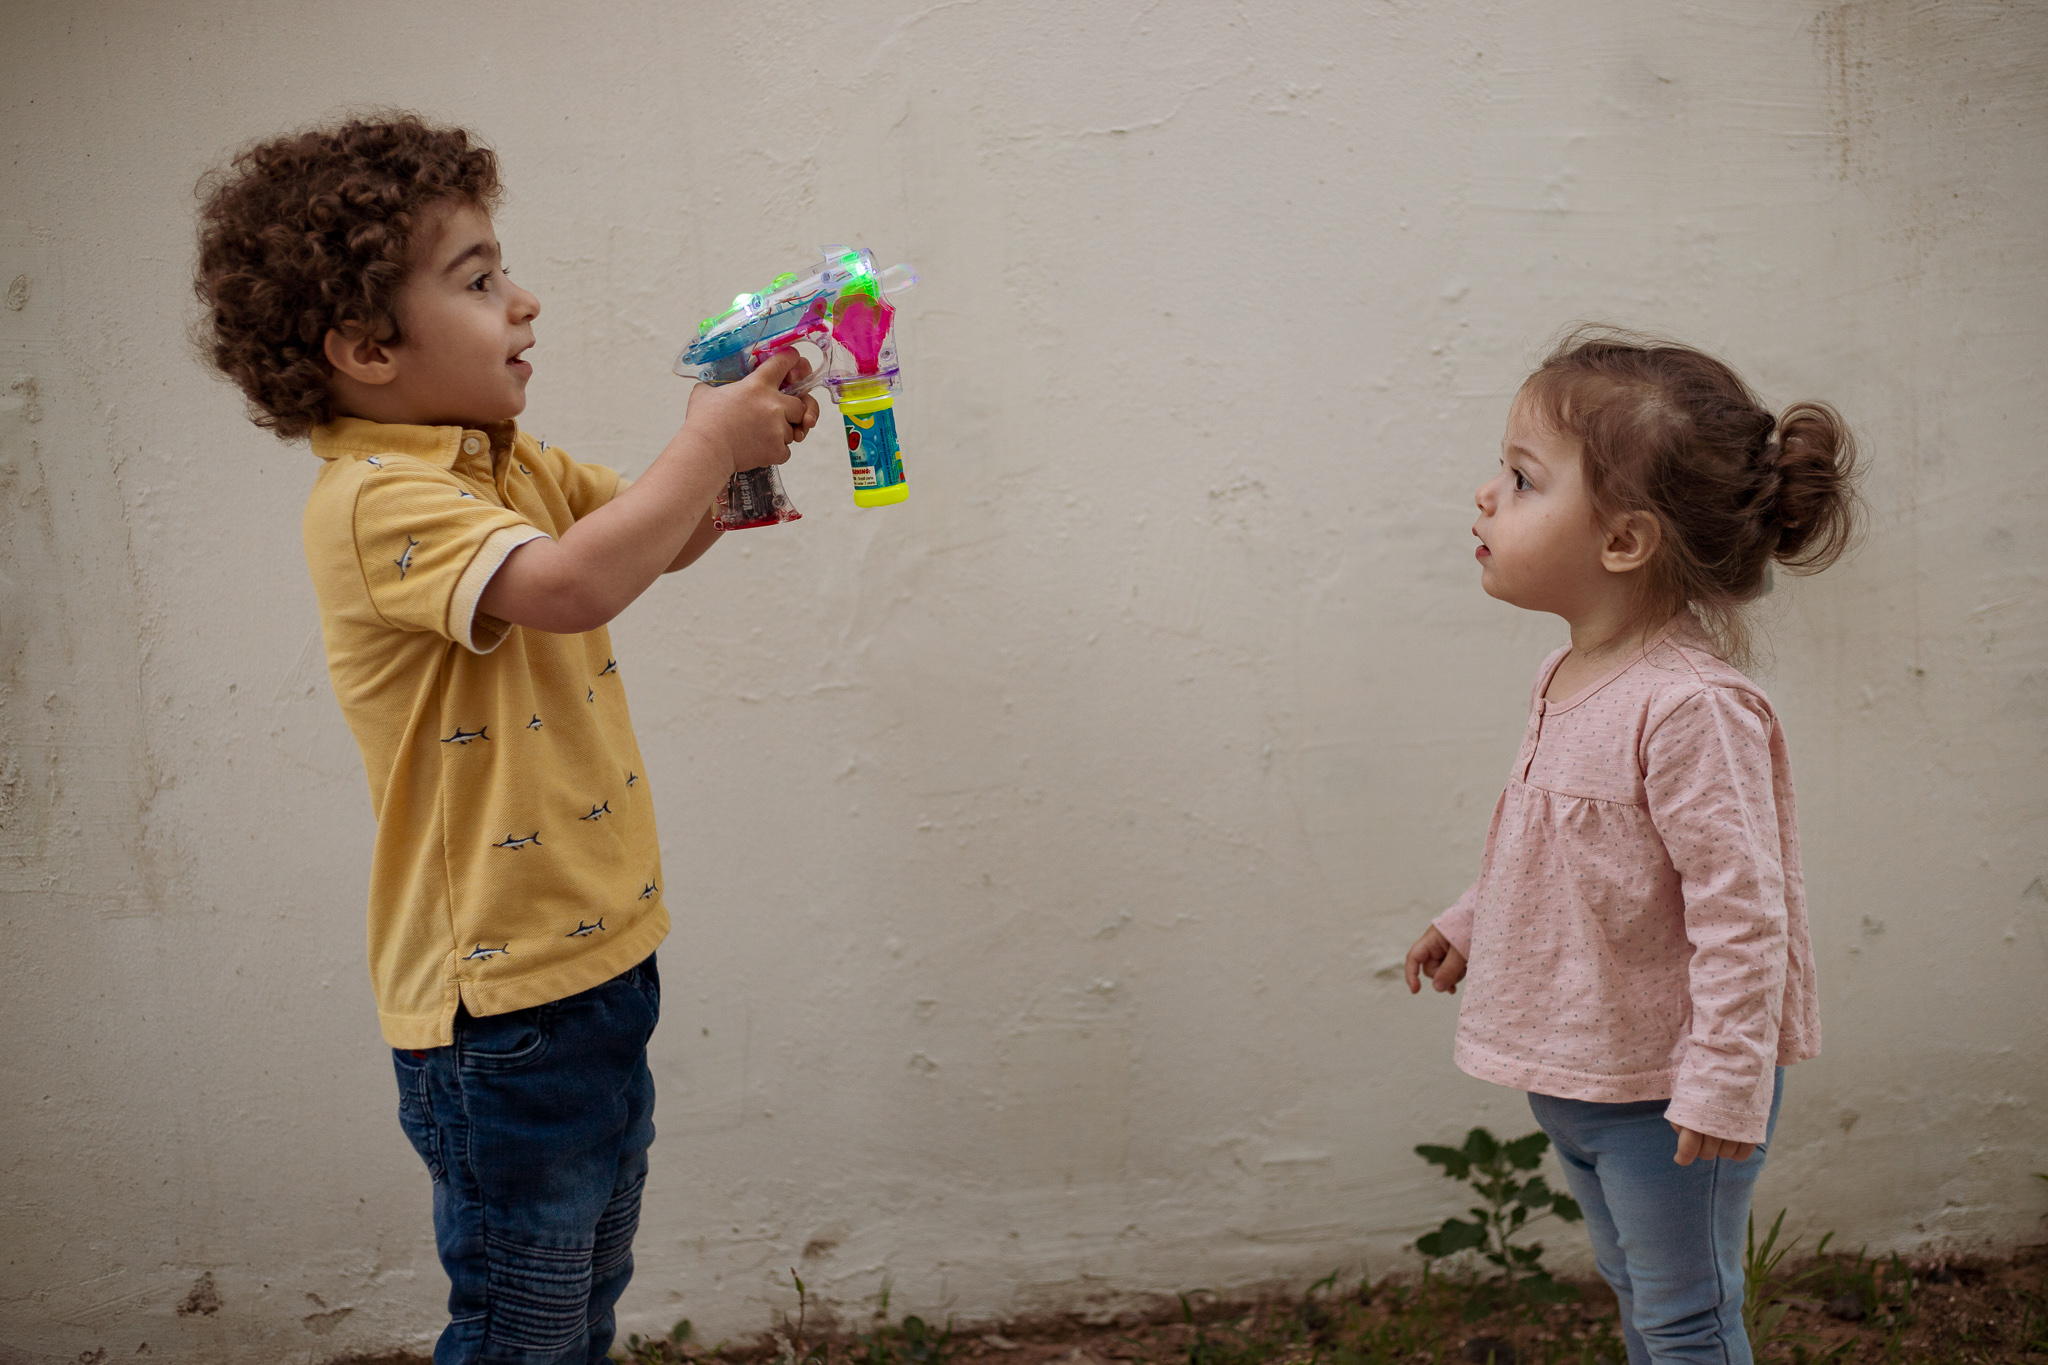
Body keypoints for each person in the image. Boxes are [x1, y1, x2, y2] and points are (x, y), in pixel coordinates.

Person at [194, 114, 819, 1365]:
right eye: (478, 281)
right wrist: (706, 444)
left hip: (594, 962)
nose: (522, 301)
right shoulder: (380, 498)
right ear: (367, 347)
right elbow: (573, 586)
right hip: (496, 1007)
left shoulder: (498, 461)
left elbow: (649, 541)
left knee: (581, 1293)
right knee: (519, 1324)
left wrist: (737, 449)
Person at [1402, 328, 1861, 1365]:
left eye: (1524, 480)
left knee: (1687, 1315)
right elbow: (1559, 845)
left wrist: (1724, 1082)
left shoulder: (1690, 707)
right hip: (1583, 1069)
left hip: (1668, 1090)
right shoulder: (1563, 675)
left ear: (1622, 541)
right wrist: (1471, 920)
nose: (1486, 495)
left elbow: (1743, 914)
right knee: (1636, 1289)